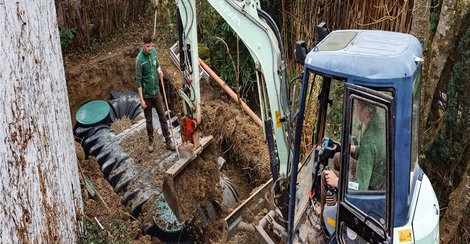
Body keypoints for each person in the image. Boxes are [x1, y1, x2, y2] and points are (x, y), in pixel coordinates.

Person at [322, 99, 386, 191]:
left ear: (367, 111)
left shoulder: (369, 141)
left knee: (325, 175)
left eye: (358, 107)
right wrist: (354, 149)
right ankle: (339, 195)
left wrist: (337, 182)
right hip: (376, 173)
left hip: (370, 186)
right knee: (337, 157)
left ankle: (338, 202)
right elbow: (374, 149)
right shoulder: (377, 123)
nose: (356, 110)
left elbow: (361, 188)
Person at [136, 31, 176, 152]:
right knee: (149, 120)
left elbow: (157, 64)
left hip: (156, 92)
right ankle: (150, 139)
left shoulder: (153, 52)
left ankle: (168, 140)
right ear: (143, 45)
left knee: (163, 117)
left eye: (151, 46)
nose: (149, 48)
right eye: (147, 46)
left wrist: (159, 70)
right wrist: (142, 99)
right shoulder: (139, 60)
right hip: (147, 96)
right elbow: (138, 81)